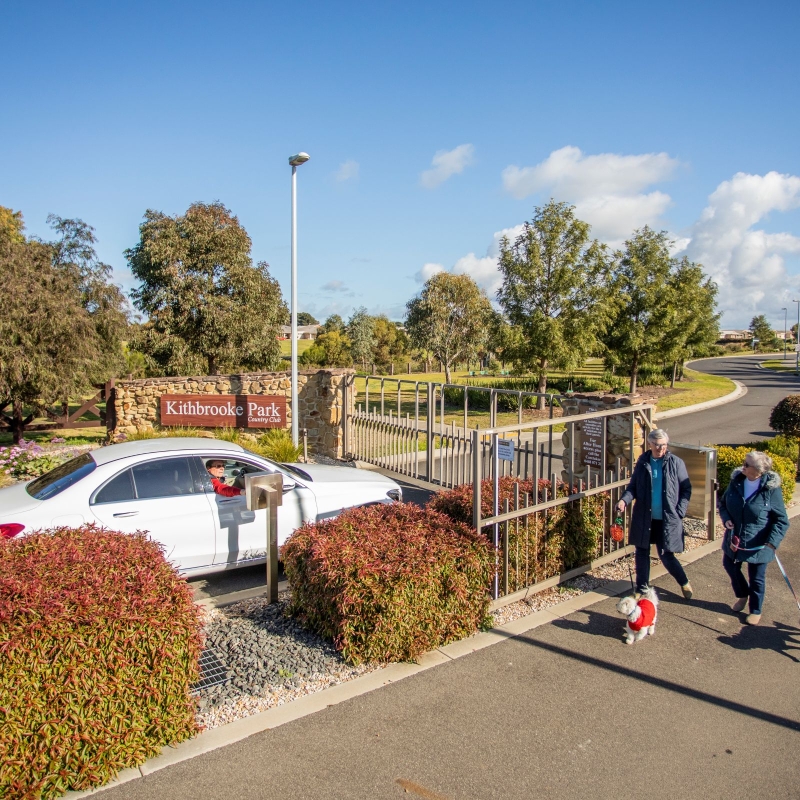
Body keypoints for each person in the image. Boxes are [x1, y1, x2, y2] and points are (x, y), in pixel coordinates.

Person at [615, 429, 693, 599]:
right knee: (642, 553)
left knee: (666, 556)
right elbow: (633, 487)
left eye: (664, 445)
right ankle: (642, 589)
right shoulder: (643, 462)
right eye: (657, 445)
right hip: (645, 517)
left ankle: (684, 581)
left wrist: (680, 511)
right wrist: (624, 501)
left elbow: (686, 489)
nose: (661, 449)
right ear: (650, 444)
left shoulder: (676, 463)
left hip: (667, 518)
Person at [717, 450, 789, 625]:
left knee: (756, 578)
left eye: (747, 464)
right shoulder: (736, 482)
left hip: (759, 543)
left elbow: (782, 521)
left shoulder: (771, 491)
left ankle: (755, 610)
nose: (743, 465)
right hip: (735, 539)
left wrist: (772, 542)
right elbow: (723, 504)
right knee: (729, 565)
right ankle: (742, 595)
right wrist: (726, 520)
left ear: (758, 471)